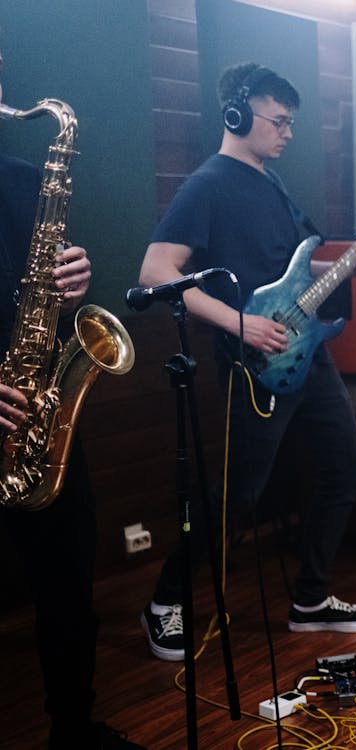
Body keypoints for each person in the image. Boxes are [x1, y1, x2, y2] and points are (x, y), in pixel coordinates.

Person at [138, 62, 356, 662]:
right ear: (237, 115)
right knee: (236, 496)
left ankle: (311, 601)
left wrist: (354, 264)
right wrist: (237, 322)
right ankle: (165, 600)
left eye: (292, 122)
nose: (288, 133)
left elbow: (293, 279)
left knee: (346, 466)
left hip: (308, 356)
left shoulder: (272, 185)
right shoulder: (208, 185)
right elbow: (154, 272)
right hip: (255, 367)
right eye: (279, 120)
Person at [0, 50, 145, 749]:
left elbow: (37, 296)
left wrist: (72, 284)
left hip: (38, 408)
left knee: (68, 581)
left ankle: (73, 727)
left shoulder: (27, 181)